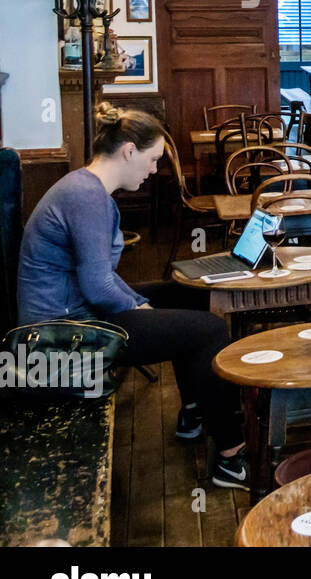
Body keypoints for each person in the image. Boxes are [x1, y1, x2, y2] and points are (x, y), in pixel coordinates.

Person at [17, 103, 248, 488]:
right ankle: (231, 457)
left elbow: (99, 279)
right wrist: (139, 307)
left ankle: (194, 410)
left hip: (74, 310)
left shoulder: (83, 187)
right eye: (153, 158)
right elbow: (98, 286)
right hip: (61, 334)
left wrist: (146, 306)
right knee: (208, 330)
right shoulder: (87, 197)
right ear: (128, 151)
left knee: (185, 295)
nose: (154, 170)